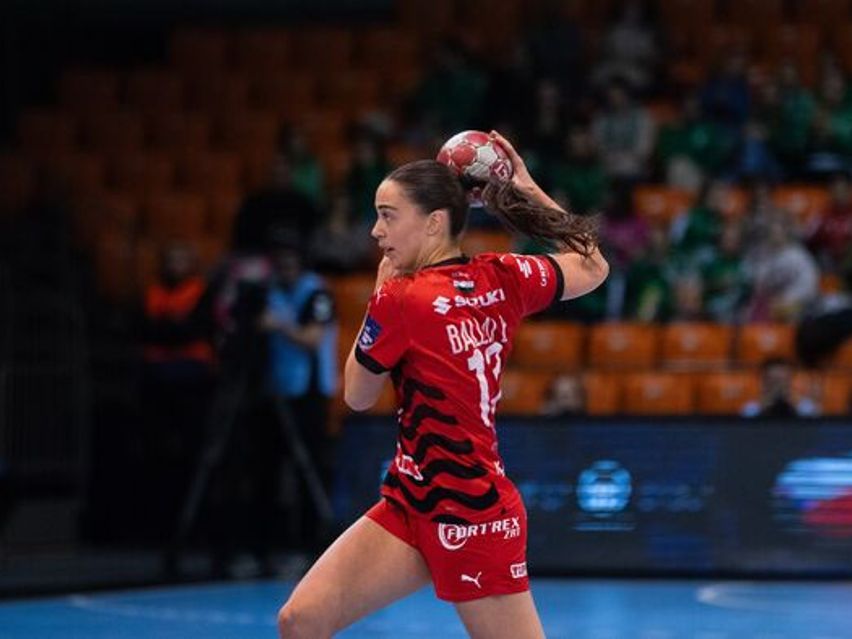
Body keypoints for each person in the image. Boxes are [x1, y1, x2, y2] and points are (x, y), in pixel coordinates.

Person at [276, 132, 609, 638]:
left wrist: (379, 294)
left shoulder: (401, 298)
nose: (375, 231)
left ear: (434, 222)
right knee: (302, 619)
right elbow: (593, 265)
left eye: (388, 216)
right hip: (412, 502)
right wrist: (525, 189)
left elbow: (357, 397)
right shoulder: (503, 276)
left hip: (472, 513)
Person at [740, 357, 819, 418]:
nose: (778, 387)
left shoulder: (804, 405)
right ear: (764, 382)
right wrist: (764, 404)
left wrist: (794, 402)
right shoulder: (752, 407)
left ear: (790, 380)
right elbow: (744, 421)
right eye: (774, 381)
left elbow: (815, 421)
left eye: (782, 381)